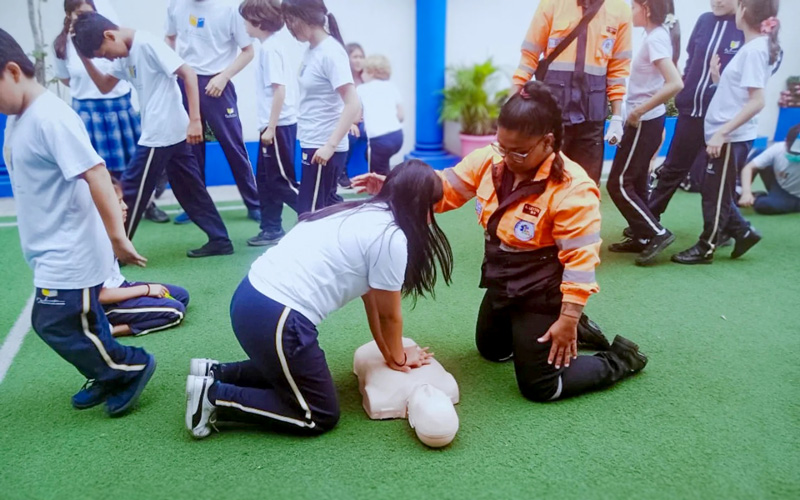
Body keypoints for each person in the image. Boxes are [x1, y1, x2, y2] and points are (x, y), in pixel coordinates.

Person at [355, 81, 646, 404]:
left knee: (540, 387)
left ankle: (619, 358)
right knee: (492, 351)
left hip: (542, 290)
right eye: (502, 146)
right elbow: (445, 188)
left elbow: (581, 263)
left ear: (547, 142)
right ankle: (562, 330)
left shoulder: (573, 188)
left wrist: (568, 317)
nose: (507, 158)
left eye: (518, 151)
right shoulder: (492, 160)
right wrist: (399, 188)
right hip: (501, 280)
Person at [184, 160, 454, 438]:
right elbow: (389, 315)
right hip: (277, 318)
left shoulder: (359, 211)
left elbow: (371, 301)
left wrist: (391, 355)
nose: (432, 218)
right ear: (420, 205)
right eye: (432, 208)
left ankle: (216, 372)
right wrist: (400, 358)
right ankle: (214, 396)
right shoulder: (391, 238)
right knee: (318, 414)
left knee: (298, 376)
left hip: (251, 300)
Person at [0, 29, 155, 416]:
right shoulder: (19, 119)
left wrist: (118, 238)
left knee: (54, 322)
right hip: (48, 247)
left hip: (71, 250)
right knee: (78, 321)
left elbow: (97, 174)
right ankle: (107, 373)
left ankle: (129, 366)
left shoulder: (51, 117)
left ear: (13, 72)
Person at [73, 12, 235, 258]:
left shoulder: (147, 44)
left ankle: (117, 250)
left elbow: (188, 73)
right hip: (167, 131)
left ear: (110, 35)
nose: (109, 57)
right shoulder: (124, 52)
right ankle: (220, 240)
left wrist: (195, 121)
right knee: (191, 189)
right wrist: (86, 59)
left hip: (161, 132)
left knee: (131, 189)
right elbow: (105, 86)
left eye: (105, 53)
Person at [672, 0, 781, 264]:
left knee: (715, 195)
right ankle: (743, 232)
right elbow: (740, 94)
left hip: (731, 137)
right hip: (726, 134)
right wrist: (718, 79)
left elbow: (757, 101)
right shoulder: (751, 49)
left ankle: (706, 246)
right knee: (713, 190)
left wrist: (722, 133)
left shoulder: (754, 51)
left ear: (744, 12)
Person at [53, 0, 169, 224]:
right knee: (99, 164)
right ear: (69, 15)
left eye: (89, 12)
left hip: (118, 103)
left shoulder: (106, 33)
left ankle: (147, 204)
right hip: (86, 108)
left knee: (132, 159)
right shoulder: (62, 44)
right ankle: (110, 208)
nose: (85, 17)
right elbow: (65, 78)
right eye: (79, 14)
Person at [512, 0, 633, 184]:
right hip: (552, 117)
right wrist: (511, 102)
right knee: (544, 183)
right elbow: (529, 56)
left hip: (591, 120)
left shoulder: (620, 9)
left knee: (586, 185)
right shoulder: (552, 4)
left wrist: (616, 117)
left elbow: (618, 68)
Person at [165, 0, 261, 225]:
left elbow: (248, 51)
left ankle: (254, 203)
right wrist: (172, 68)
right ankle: (196, 207)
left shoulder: (229, 10)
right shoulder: (176, 5)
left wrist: (224, 76)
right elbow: (169, 37)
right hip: (186, 82)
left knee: (234, 147)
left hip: (218, 84)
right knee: (192, 150)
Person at [648, 0, 744, 217]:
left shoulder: (744, 26)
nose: (717, 2)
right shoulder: (704, 20)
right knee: (672, 169)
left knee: (714, 180)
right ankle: (646, 224)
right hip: (691, 111)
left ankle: (730, 230)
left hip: (721, 118)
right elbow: (691, 57)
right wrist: (684, 91)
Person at [607, 0, 683, 265]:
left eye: (634, 6)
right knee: (637, 182)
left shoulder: (656, 39)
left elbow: (675, 82)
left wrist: (639, 110)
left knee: (617, 183)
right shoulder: (655, 36)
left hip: (644, 122)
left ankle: (657, 233)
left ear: (647, 8)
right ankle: (642, 236)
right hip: (645, 121)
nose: (631, 12)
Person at [283, 0, 361, 213]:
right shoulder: (312, 50)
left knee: (310, 213)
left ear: (305, 17)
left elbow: (353, 103)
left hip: (323, 146)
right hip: (312, 142)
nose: (288, 26)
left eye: (290, 19)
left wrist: (330, 146)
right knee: (323, 208)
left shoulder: (331, 53)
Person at [239, 0, 299, 247]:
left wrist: (271, 127)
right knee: (265, 180)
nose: (244, 25)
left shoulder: (271, 49)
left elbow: (280, 91)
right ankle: (271, 228)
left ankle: (321, 212)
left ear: (259, 22)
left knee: (281, 181)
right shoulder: (267, 47)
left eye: (246, 20)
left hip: (278, 125)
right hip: (271, 125)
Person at [100, 178, 190, 337]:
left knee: (181, 296)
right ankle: (108, 330)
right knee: (175, 311)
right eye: (119, 202)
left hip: (122, 286)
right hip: (106, 305)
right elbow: (101, 296)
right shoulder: (93, 243)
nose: (125, 207)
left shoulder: (110, 232)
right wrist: (146, 290)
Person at [358, 54, 404, 176]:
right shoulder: (391, 87)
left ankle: (382, 192)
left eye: (363, 71)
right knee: (381, 162)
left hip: (379, 140)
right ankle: (388, 181)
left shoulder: (361, 89)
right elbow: (401, 115)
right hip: (397, 137)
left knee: (376, 175)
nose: (361, 75)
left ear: (371, 72)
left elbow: (356, 114)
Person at [739, 123, 800, 215]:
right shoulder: (779, 148)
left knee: (764, 205)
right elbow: (749, 168)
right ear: (785, 142)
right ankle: (738, 190)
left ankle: (757, 197)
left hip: (794, 196)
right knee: (760, 153)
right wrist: (746, 193)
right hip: (779, 183)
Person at [340, 42, 366, 188]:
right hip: (348, 121)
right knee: (351, 135)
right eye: (355, 56)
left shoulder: (367, 79)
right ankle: (342, 173)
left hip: (366, 122)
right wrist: (350, 123)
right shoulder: (344, 80)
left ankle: (379, 172)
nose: (359, 60)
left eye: (361, 57)